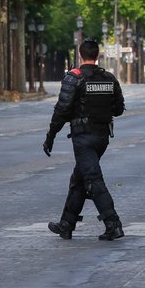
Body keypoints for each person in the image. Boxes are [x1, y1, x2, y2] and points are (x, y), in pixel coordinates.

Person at [43, 38, 125, 241]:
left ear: (80, 55)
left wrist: (51, 136)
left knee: (93, 180)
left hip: (82, 137)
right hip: (103, 137)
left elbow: (61, 110)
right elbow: (119, 108)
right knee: (79, 179)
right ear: (97, 55)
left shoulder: (74, 77)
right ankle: (66, 224)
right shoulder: (108, 78)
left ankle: (113, 224)